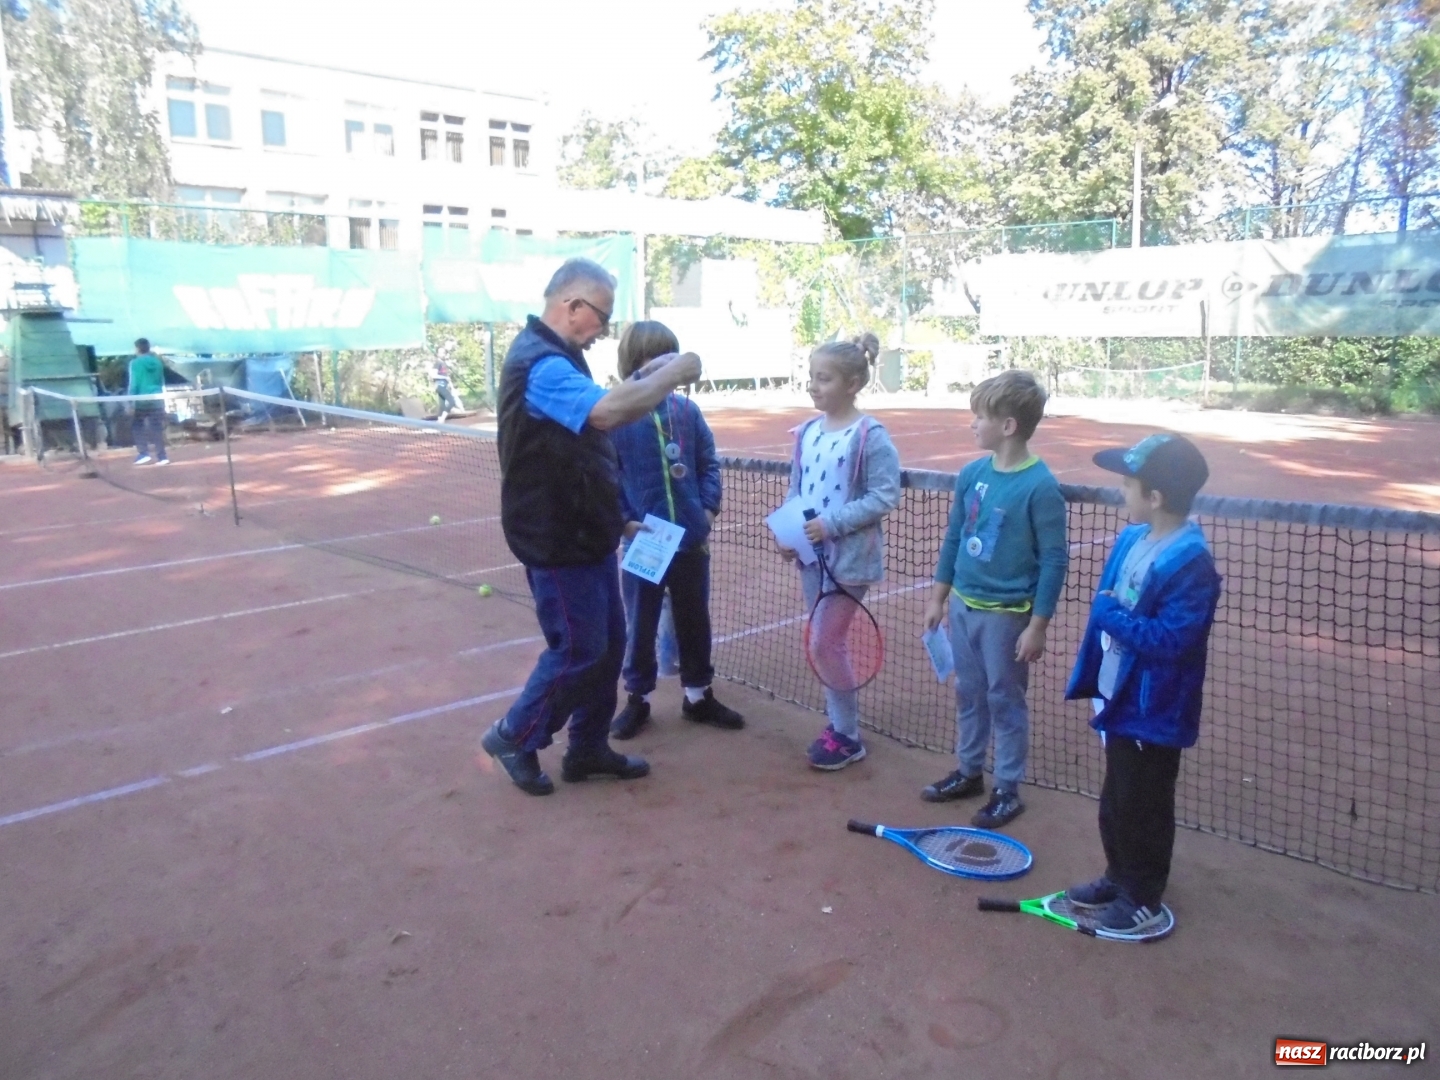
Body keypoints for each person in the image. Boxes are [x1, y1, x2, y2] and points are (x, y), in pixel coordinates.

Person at [482, 258, 702, 796]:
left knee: (607, 647)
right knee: (579, 649)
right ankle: (514, 735)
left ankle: (586, 747)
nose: (603, 329)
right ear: (572, 305)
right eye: (601, 316)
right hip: (557, 536)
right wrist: (673, 374)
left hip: (588, 530)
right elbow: (605, 414)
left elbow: (592, 427)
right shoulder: (542, 366)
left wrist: (650, 374)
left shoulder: (560, 357)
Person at [1063, 433, 1221, 935]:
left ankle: (1143, 896)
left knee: (1144, 805)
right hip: (1121, 697)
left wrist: (1110, 615)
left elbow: (1174, 639)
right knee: (1117, 798)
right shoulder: (1134, 538)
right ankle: (1119, 876)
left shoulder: (1190, 562)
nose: (1121, 492)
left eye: (1128, 485)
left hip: (1155, 709)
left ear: (1154, 497)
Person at [921, 370, 1067, 828]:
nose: (973, 424)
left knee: (1004, 699)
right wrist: (939, 597)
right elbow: (954, 537)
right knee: (968, 692)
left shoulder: (1040, 486)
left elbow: (1054, 560)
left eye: (980, 417)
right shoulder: (972, 474)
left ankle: (1007, 787)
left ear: (1007, 426)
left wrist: (1037, 625)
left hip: (1007, 616)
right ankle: (969, 771)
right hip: (963, 607)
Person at [607, 321, 743, 739]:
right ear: (635, 363)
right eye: (654, 357)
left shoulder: (687, 411)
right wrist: (625, 521)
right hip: (644, 541)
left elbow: (709, 463)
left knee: (694, 619)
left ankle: (698, 696)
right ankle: (638, 699)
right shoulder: (617, 414)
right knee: (640, 623)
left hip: (689, 541)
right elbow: (606, 476)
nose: (665, 364)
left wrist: (707, 511)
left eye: (671, 355)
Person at [777, 333, 901, 770]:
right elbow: (797, 489)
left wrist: (830, 525)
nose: (813, 385)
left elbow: (884, 495)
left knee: (824, 643)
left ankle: (848, 735)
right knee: (826, 644)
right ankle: (838, 725)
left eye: (824, 378)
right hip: (812, 557)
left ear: (852, 384)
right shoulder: (807, 432)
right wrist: (790, 534)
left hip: (850, 559)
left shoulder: (870, 435)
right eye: (812, 376)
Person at [127, 338, 169, 466]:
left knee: (137, 425)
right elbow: (161, 381)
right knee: (156, 428)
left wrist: (130, 402)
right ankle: (162, 457)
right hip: (157, 399)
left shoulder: (135, 363)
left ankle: (143, 453)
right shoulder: (158, 362)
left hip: (141, 400)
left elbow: (134, 383)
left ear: (137, 349)